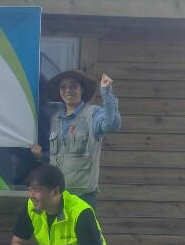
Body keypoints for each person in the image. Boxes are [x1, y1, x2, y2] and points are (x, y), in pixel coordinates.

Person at [32, 71, 121, 209]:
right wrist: (41, 156)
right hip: (56, 196)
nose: (68, 90)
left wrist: (106, 91)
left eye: (73, 86)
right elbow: (59, 156)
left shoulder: (93, 114)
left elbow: (112, 125)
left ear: (82, 89)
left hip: (83, 197)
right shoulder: (55, 118)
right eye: (63, 87)